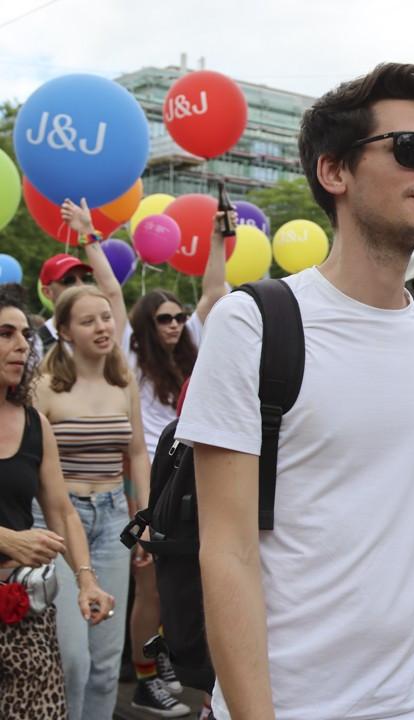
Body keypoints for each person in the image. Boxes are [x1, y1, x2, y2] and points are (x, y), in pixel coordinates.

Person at [177, 63, 414, 720]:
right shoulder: (255, 322)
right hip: (295, 705)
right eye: (412, 150)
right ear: (334, 172)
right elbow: (225, 550)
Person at [122, 213, 228, 715]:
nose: (175, 324)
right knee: (152, 588)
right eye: (163, 318)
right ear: (145, 326)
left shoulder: (194, 352)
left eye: (178, 316)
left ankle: (170, 661)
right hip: (147, 486)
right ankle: (146, 678)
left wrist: (215, 240)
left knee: (183, 588)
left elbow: (212, 292)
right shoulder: (131, 359)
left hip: (188, 482)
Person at [32, 285, 152, 720]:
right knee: (74, 661)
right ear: (64, 331)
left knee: (105, 663)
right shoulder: (44, 387)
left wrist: (146, 517)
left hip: (115, 518)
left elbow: (137, 453)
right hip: (59, 521)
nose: (103, 326)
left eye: (105, 317)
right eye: (88, 320)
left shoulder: (123, 383)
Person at [0, 283, 113, 720]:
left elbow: (62, 512)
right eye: (5, 334)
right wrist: (10, 538)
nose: (21, 345)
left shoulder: (34, 423)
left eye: (25, 335)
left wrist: (86, 580)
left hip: (25, 610)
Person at [34, 198, 129, 358]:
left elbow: (112, 292)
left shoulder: (104, 335)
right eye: (68, 281)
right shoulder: (36, 343)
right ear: (47, 292)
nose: (80, 285)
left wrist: (86, 229)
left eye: (85, 278)